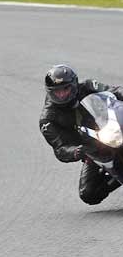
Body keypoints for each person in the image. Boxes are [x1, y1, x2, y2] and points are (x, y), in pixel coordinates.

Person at [39, 64, 123, 205]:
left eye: (66, 89)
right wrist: (76, 151)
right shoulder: (48, 120)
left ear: (74, 84)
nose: (62, 94)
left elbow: (114, 91)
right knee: (89, 194)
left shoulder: (88, 86)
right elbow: (60, 149)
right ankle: (117, 177)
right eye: (57, 91)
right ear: (50, 92)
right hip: (91, 149)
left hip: (110, 128)